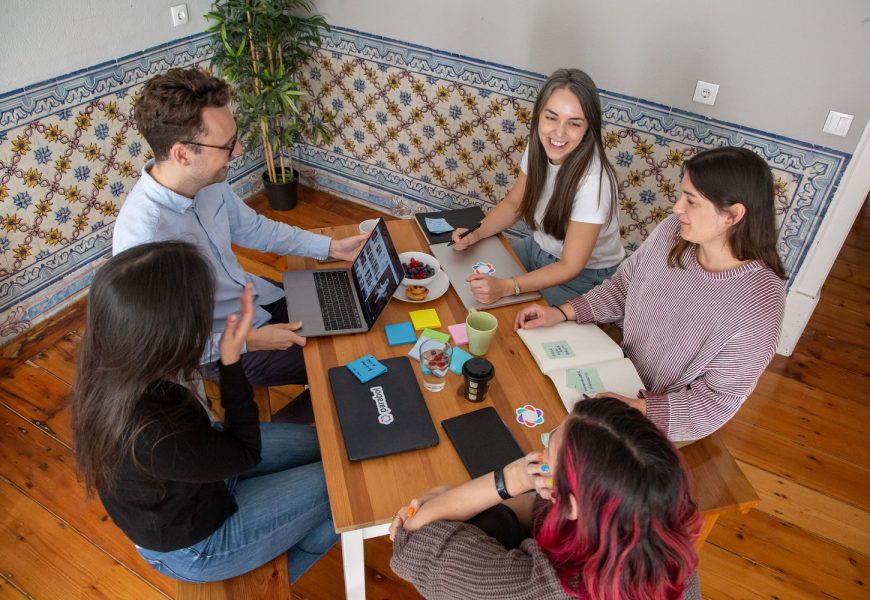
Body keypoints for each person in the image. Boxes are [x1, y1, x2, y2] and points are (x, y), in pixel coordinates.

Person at [73, 241, 338, 583]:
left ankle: (278, 540)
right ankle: (272, 577)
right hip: (197, 543)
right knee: (345, 485)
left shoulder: (112, 363)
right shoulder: (153, 432)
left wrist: (243, 344)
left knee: (331, 448)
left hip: (201, 476)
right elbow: (245, 452)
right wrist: (230, 362)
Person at [113, 67, 367, 388]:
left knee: (349, 305)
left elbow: (254, 229)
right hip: (226, 348)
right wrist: (253, 340)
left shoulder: (207, 179)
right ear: (182, 154)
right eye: (227, 145)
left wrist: (330, 247)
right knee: (347, 357)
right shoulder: (143, 237)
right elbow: (162, 347)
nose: (239, 152)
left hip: (254, 297)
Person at [515, 146, 787, 442]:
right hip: (615, 365)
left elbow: (714, 404)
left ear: (732, 215)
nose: (677, 208)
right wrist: (562, 312)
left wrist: (640, 408)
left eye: (691, 201)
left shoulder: (759, 306)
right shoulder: (673, 233)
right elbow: (623, 287)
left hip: (659, 419)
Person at [389, 397, 701, 599]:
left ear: (572, 505)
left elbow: (415, 537)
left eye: (548, 452)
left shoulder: (526, 590)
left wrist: (510, 478)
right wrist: (456, 499)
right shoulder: (669, 541)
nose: (537, 458)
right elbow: (537, 508)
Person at [449, 68, 624, 306]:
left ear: (588, 129)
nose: (559, 133)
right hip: (538, 248)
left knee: (503, 314)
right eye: (551, 117)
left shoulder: (595, 182)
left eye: (574, 123)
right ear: (539, 115)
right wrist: (476, 233)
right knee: (464, 287)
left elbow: (571, 265)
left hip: (584, 277)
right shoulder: (540, 144)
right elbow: (515, 203)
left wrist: (508, 287)